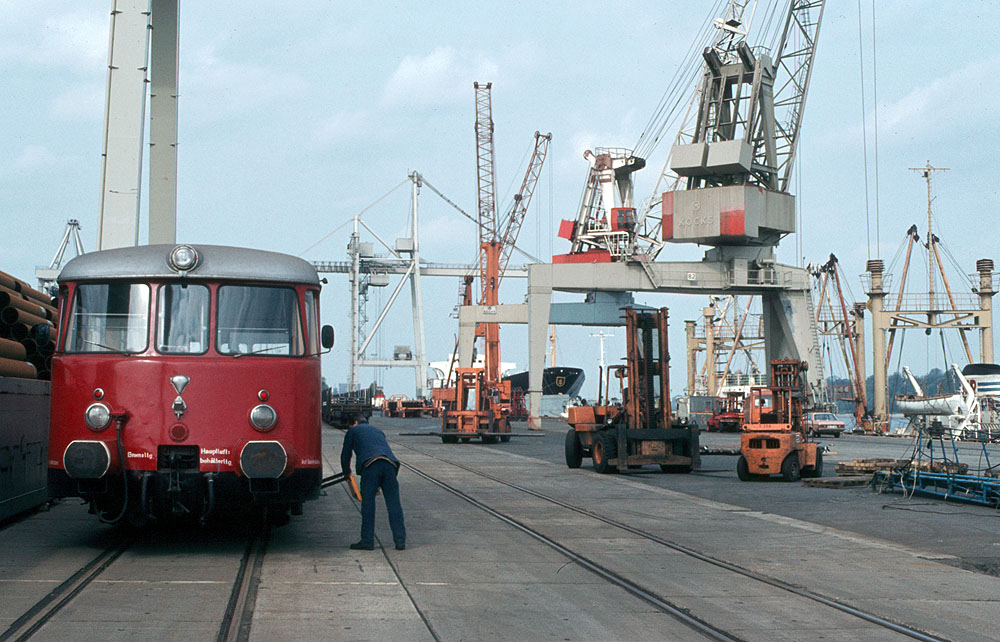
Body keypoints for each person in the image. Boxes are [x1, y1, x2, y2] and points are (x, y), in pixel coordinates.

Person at [340, 413, 406, 551]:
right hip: (390, 465)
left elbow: (346, 455)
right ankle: (400, 541)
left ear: (354, 423)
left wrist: (346, 472)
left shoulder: (353, 431)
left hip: (371, 466)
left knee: (368, 505)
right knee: (394, 505)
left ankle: (367, 541)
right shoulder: (377, 430)